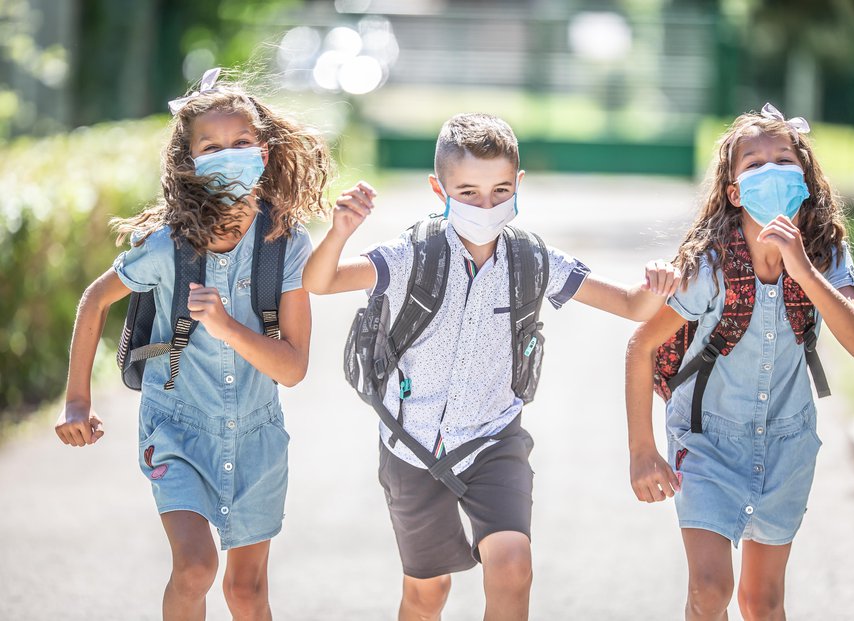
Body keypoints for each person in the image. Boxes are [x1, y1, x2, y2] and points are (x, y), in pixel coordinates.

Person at [304, 112, 680, 621]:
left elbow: (633, 305)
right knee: (427, 592)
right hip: (412, 446)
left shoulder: (532, 260)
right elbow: (321, 282)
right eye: (468, 192)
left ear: (519, 185)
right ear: (439, 188)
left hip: (493, 439)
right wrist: (339, 233)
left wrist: (659, 280)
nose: (486, 205)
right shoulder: (412, 254)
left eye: (501, 190)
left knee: (512, 564)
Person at [54, 67, 330, 621]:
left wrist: (228, 327)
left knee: (247, 593)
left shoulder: (285, 243)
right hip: (176, 429)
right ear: (190, 162)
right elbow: (94, 299)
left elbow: (294, 370)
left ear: (265, 154)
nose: (229, 155)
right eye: (212, 146)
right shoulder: (165, 247)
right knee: (196, 567)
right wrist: (78, 399)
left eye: (242, 143)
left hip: (257, 439)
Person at [625, 104, 854, 621]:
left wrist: (802, 269)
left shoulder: (826, 253)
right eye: (754, 165)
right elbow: (641, 346)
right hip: (707, 443)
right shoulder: (712, 264)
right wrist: (643, 450)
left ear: (804, 179)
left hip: (788, 445)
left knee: (763, 603)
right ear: (734, 192)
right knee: (709, 593)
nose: (771, 171)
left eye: (784, 160)